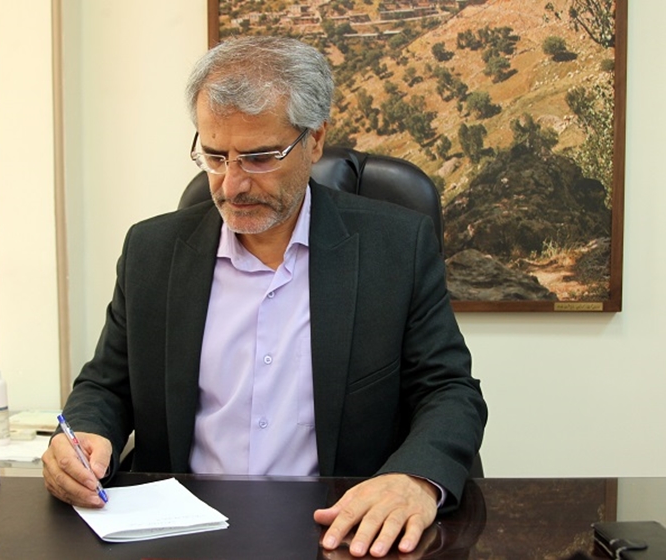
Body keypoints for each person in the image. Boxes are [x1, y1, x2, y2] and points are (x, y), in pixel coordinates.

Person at [42, 35, 487, 558]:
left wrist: (415, 479)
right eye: (215, 156)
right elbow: (107, 386)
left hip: (341, 533)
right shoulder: (152, 251)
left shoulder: (396, 247)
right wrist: (86, 436)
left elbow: (449, 391)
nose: (232, 185)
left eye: (258, 158)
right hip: (183, 536)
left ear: (314, 140)